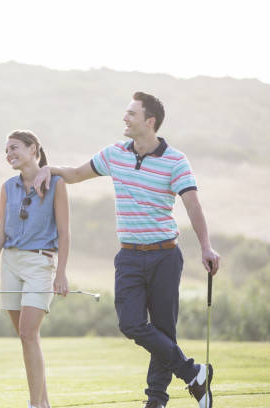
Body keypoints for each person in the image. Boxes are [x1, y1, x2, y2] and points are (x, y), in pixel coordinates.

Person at [33, 92, 221, 408]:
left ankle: (156, 400)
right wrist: (47, 169)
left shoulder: (176, 160)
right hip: (130, 256)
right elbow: (77, 174)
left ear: (150, 121)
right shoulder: (114, 154)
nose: (125, 118)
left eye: (131, 114)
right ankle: (193, 373)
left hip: (165, 254)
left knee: (163, 328)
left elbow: (193, 205)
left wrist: (206, 246)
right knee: (131, 323)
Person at [0, 130, 70, 408]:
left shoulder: (57, 184)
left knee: (28, 333)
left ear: (33, 148)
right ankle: (43, 403)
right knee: (27, 338)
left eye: (14, 148)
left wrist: (60, 273)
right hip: (10, 263)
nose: (9, 154)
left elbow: (64, 232)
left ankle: (35, 404)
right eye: (6, 151)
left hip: (40, 262)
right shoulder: (7, 187)